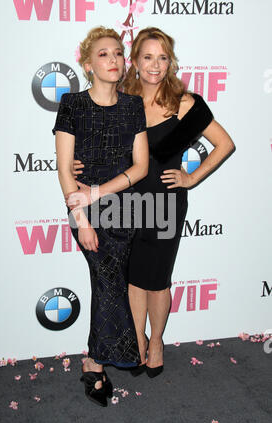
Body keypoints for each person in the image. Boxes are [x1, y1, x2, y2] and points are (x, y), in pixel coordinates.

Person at [73, 27, 234, 379]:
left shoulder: (185, 103)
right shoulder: (120, 99)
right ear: (135, 60)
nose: (155, 65)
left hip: (165, 206)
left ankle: (157, 341)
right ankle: (138, 343)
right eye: (148, 56)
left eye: (162, 57)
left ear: (170, 62)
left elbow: (225, 143)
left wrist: (191, 177)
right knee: (133, 280)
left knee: (158, 280)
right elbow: (95, 144)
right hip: (125, 203)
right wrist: (77, 164)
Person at [52, 26, 149, 407]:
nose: (114, 60)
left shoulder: (132, 106)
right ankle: (109, 356)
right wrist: (84, 217)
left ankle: (94, 358)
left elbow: (140, 167)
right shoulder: (72, 104)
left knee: (106, 282)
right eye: (104, 54)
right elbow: (63, 169)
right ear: (88, 63)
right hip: (85, 212)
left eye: (118, 53)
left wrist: (99, 191)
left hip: (123, 208)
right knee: (108, 278)